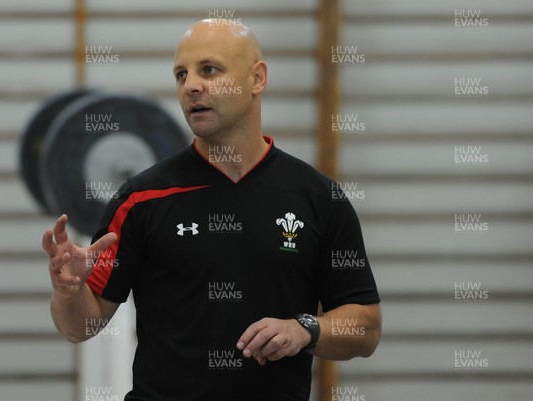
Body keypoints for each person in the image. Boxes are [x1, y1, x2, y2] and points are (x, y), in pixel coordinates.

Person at [42, 19, 381, 401]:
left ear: (257, 79)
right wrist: (69, 293)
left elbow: (366, 328)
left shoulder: (319, 199)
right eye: (181, 74)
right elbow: (81, 326)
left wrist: (305, 329)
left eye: (209, 70)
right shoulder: (141, 199)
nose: (191, 86)